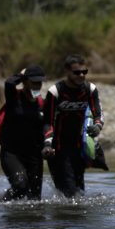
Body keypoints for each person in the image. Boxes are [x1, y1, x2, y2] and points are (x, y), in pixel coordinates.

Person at [41, 55, 104, 198]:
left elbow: (98, 114)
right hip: (57, 149)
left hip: (78, 148)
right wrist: (47, 144)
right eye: (77, 72)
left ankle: (66, 212)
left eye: (84, 72)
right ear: (67, 72)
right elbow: (47, 122)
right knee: (70, 193)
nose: (81, 75)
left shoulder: (90, 89)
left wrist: (98, 126)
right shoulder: (55, 92)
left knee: (79, 192)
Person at [0, 65, 46, 201]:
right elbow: (9, 83)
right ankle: (0, 202)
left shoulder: (42, 104)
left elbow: (47, 127)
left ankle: (26, 215)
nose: (37, 86)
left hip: (34, 155)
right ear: (25, 82)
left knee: (35, 199)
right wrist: (21, 75)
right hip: (12, 153)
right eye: (34, 82)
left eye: (39, 82)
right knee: (20, 186)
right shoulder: (14, 98)